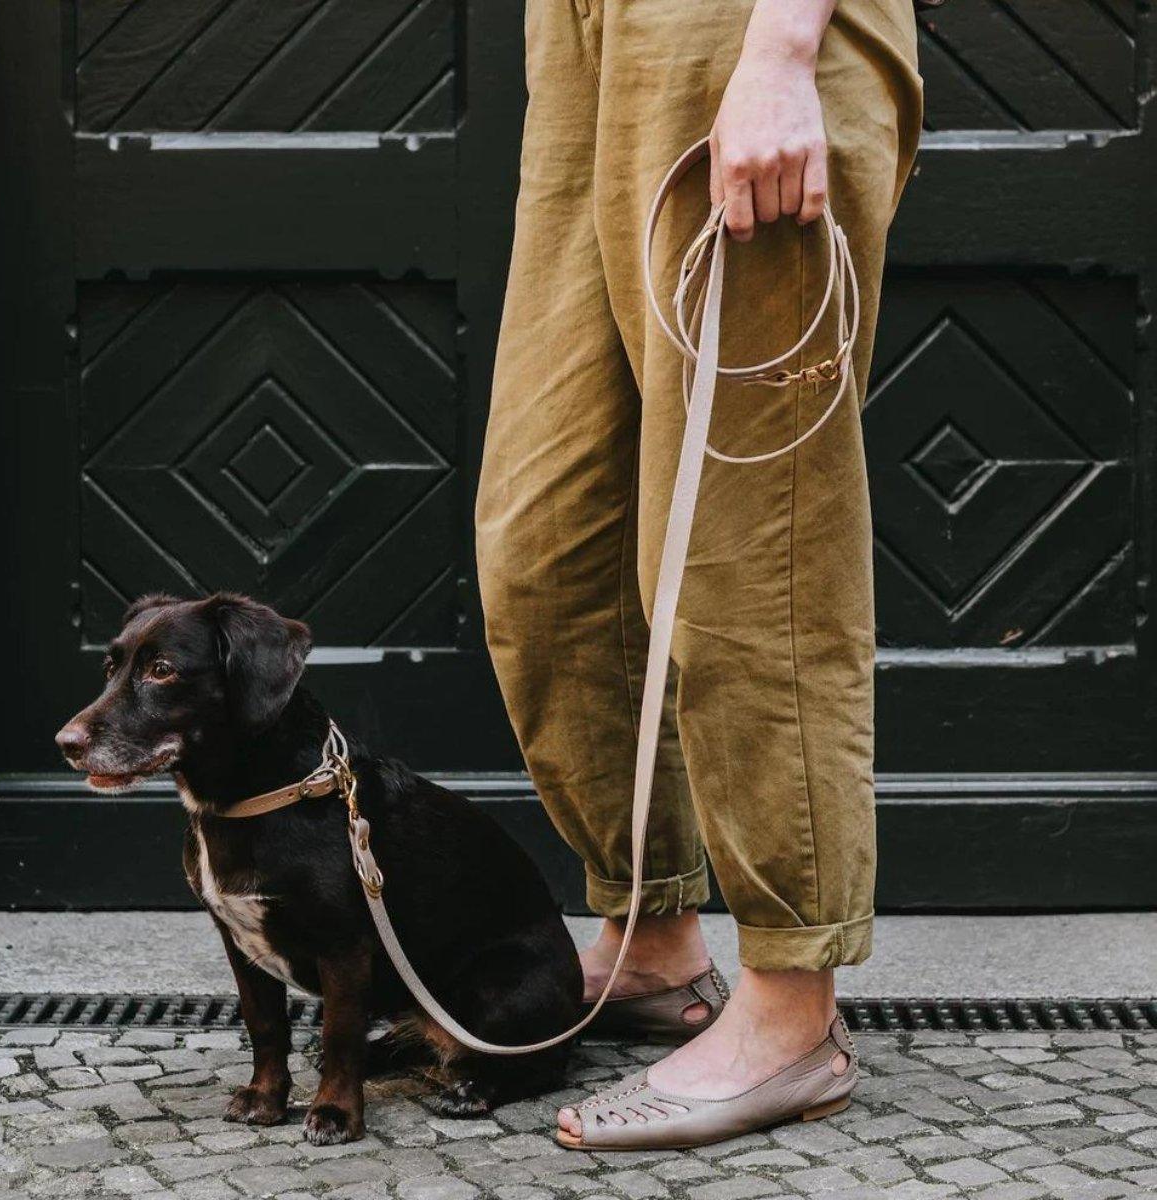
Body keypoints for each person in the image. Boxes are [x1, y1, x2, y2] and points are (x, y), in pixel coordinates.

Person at [476, 0, 923, 1149]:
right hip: (585, 38)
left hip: (740, 22)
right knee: (546, 548)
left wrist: (780, 48)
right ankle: (652, 938)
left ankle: (790, 1009)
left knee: (755, 546)